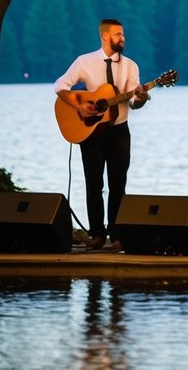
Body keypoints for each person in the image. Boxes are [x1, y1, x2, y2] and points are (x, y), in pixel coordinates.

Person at [54, 17, 150, 250]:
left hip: (119, 131)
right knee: (93, 184)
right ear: (105, 36)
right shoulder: (84, 62)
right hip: (91, 132)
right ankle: (97, 233)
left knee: (118, 184)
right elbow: (60, 86)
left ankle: (117, 235)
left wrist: (141, 98)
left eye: (123, 35)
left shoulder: (130, 66)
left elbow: (134, 102)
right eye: (118, 34)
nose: (123, 38)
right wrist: (79, 106)